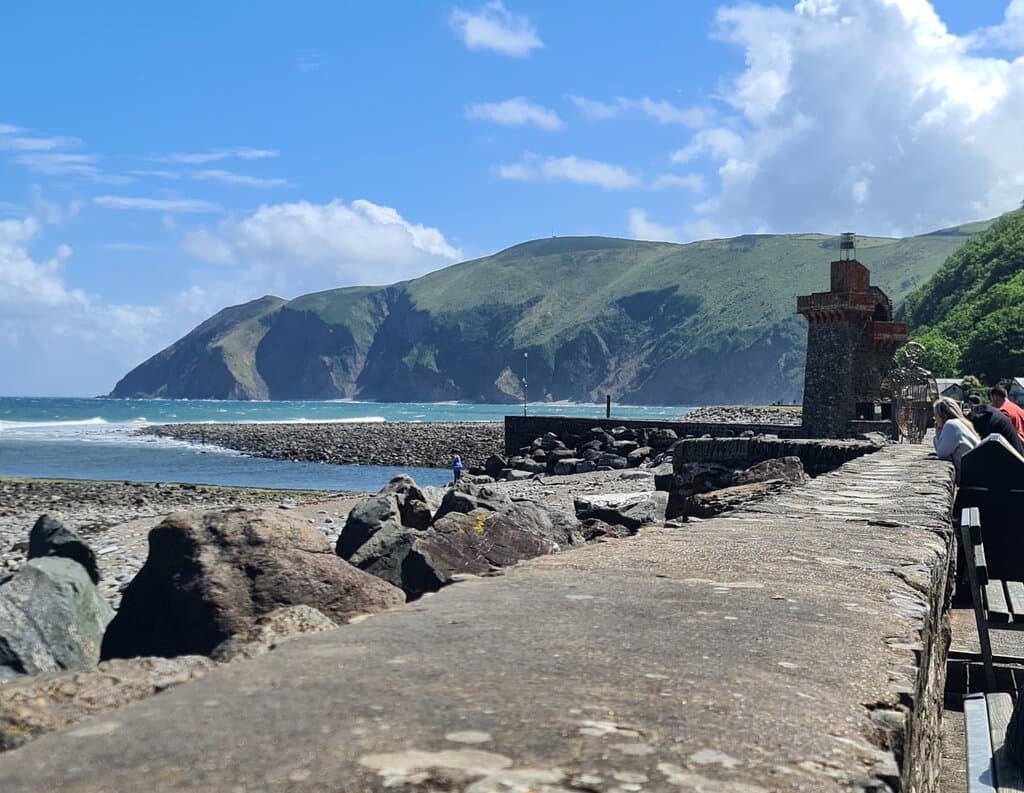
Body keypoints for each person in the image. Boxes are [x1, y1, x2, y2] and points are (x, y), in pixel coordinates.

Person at [933, 397, 980, 478]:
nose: (934, 419)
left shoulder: (951, 425)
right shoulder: (962, 424)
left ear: (943, 415)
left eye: (935, 415)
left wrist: (938, 432)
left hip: (970, 479)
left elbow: (942, 454)